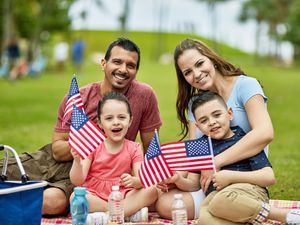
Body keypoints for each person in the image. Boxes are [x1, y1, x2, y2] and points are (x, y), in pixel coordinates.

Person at [0, 38, 162, 216]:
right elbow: (57, 150)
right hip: (62, 160)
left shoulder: (145, 95)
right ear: (104, 63)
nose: (123, 70)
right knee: (5, 169)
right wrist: (89, 143)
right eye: (117, 62)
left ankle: (116, 211)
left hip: (96, 174)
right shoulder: (79, 97)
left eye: (130, 65)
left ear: (136, 71)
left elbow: (151, 150)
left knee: (51, 202)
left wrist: (141, 180)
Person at [155, 38, 274, 219]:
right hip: (211, 185)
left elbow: (264, 133)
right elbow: (197, 156)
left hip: (246, 177)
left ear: (211, 58)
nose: (196, 74)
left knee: (219, 204)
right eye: (188, 72)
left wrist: (215, 162)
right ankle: (237, 216)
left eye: (199, 63)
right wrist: (178, 178)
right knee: (166, 204)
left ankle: (263, 212)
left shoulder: (245, 85)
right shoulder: (196, 104)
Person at [191, 91, 300, 225]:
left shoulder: (244, 141)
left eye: (217, 115)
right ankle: (249, 219)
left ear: (229, 114)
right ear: (198, 126)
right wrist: (177, 180)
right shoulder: (200, 147)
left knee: (220, 201)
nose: (212, 122)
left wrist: (230, 176)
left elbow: (269, 177)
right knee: (204, 219)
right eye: (204, 120)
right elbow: (194, 183)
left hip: (248, 191)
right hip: (216, 197)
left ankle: (285, 215)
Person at [70, 92, 157, 221]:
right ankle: (124, 214)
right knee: (75, 197)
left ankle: (106, 217)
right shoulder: (93, 145)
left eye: (121, 117)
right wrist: (77, 161)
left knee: (152, 190)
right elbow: (77, 180)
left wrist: (135, 181)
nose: (116, 122)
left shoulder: (134, 148)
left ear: (130, 120)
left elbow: (141, 179)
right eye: (109, 118)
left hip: (122, 193)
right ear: (100, 123)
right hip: (95, 194)